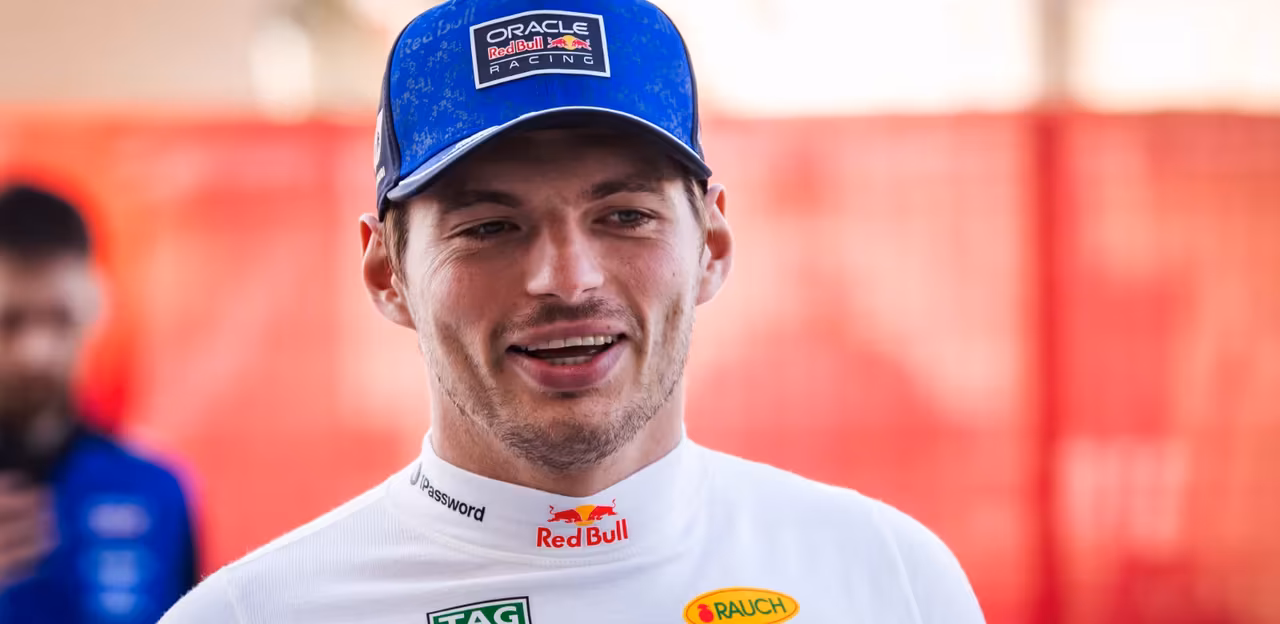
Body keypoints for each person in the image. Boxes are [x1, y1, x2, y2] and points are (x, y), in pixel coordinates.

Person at [161, 0, 985, 622]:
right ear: (387, 273)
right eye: (490, 227)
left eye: (624, 215)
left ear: (712, 243)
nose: (565, 279)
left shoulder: (892, 580)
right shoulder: (253, 614)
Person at [0, 184, 199, 623]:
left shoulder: (157, 492)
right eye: (10, 321)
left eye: (58, 318)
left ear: (95, 307)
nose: (35, 352)